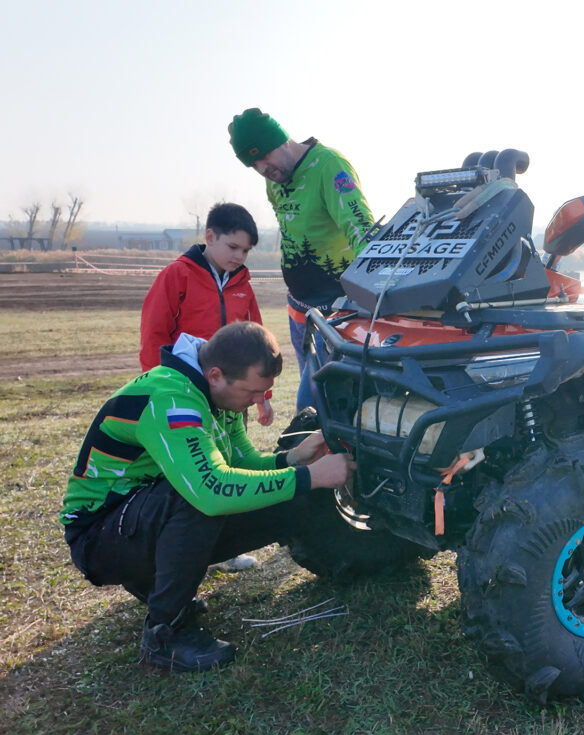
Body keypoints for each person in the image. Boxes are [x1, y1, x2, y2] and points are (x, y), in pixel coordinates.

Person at [61, 322, 355, 673]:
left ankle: (156, 583)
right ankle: (165, 634)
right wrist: (308, 478)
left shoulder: (211, 389)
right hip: (97, 538)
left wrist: (292, 459)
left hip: (136, 517)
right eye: (254, 392)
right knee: (197, 495)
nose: (259, 401)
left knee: (285, 501)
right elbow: (210, 490)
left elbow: (240, 464)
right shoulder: (171, 399)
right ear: (216, 374)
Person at [140, 202, 272, 572]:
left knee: (228, 465)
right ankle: (180, 552)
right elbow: (153, 335)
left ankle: (225, 549)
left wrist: (260, 395)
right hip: (186, 396)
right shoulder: (176, 276)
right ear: (209, 237)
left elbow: (257, 341)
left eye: (246, 251)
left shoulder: (244, 283)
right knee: (192, 472)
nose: (239, 256)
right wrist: (161, 390)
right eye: (233, 247)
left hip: (232, 398)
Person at [228, 107, 374, 411]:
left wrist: (375, 289)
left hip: (337, 311)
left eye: (264, 156)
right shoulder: (274, 180)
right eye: (254, 165)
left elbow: (360, 229)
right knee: (319, 389)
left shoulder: (329, 166)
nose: (263, 168)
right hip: (299, 309)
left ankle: (302, 451)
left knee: (315, 398)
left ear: (280, 140)